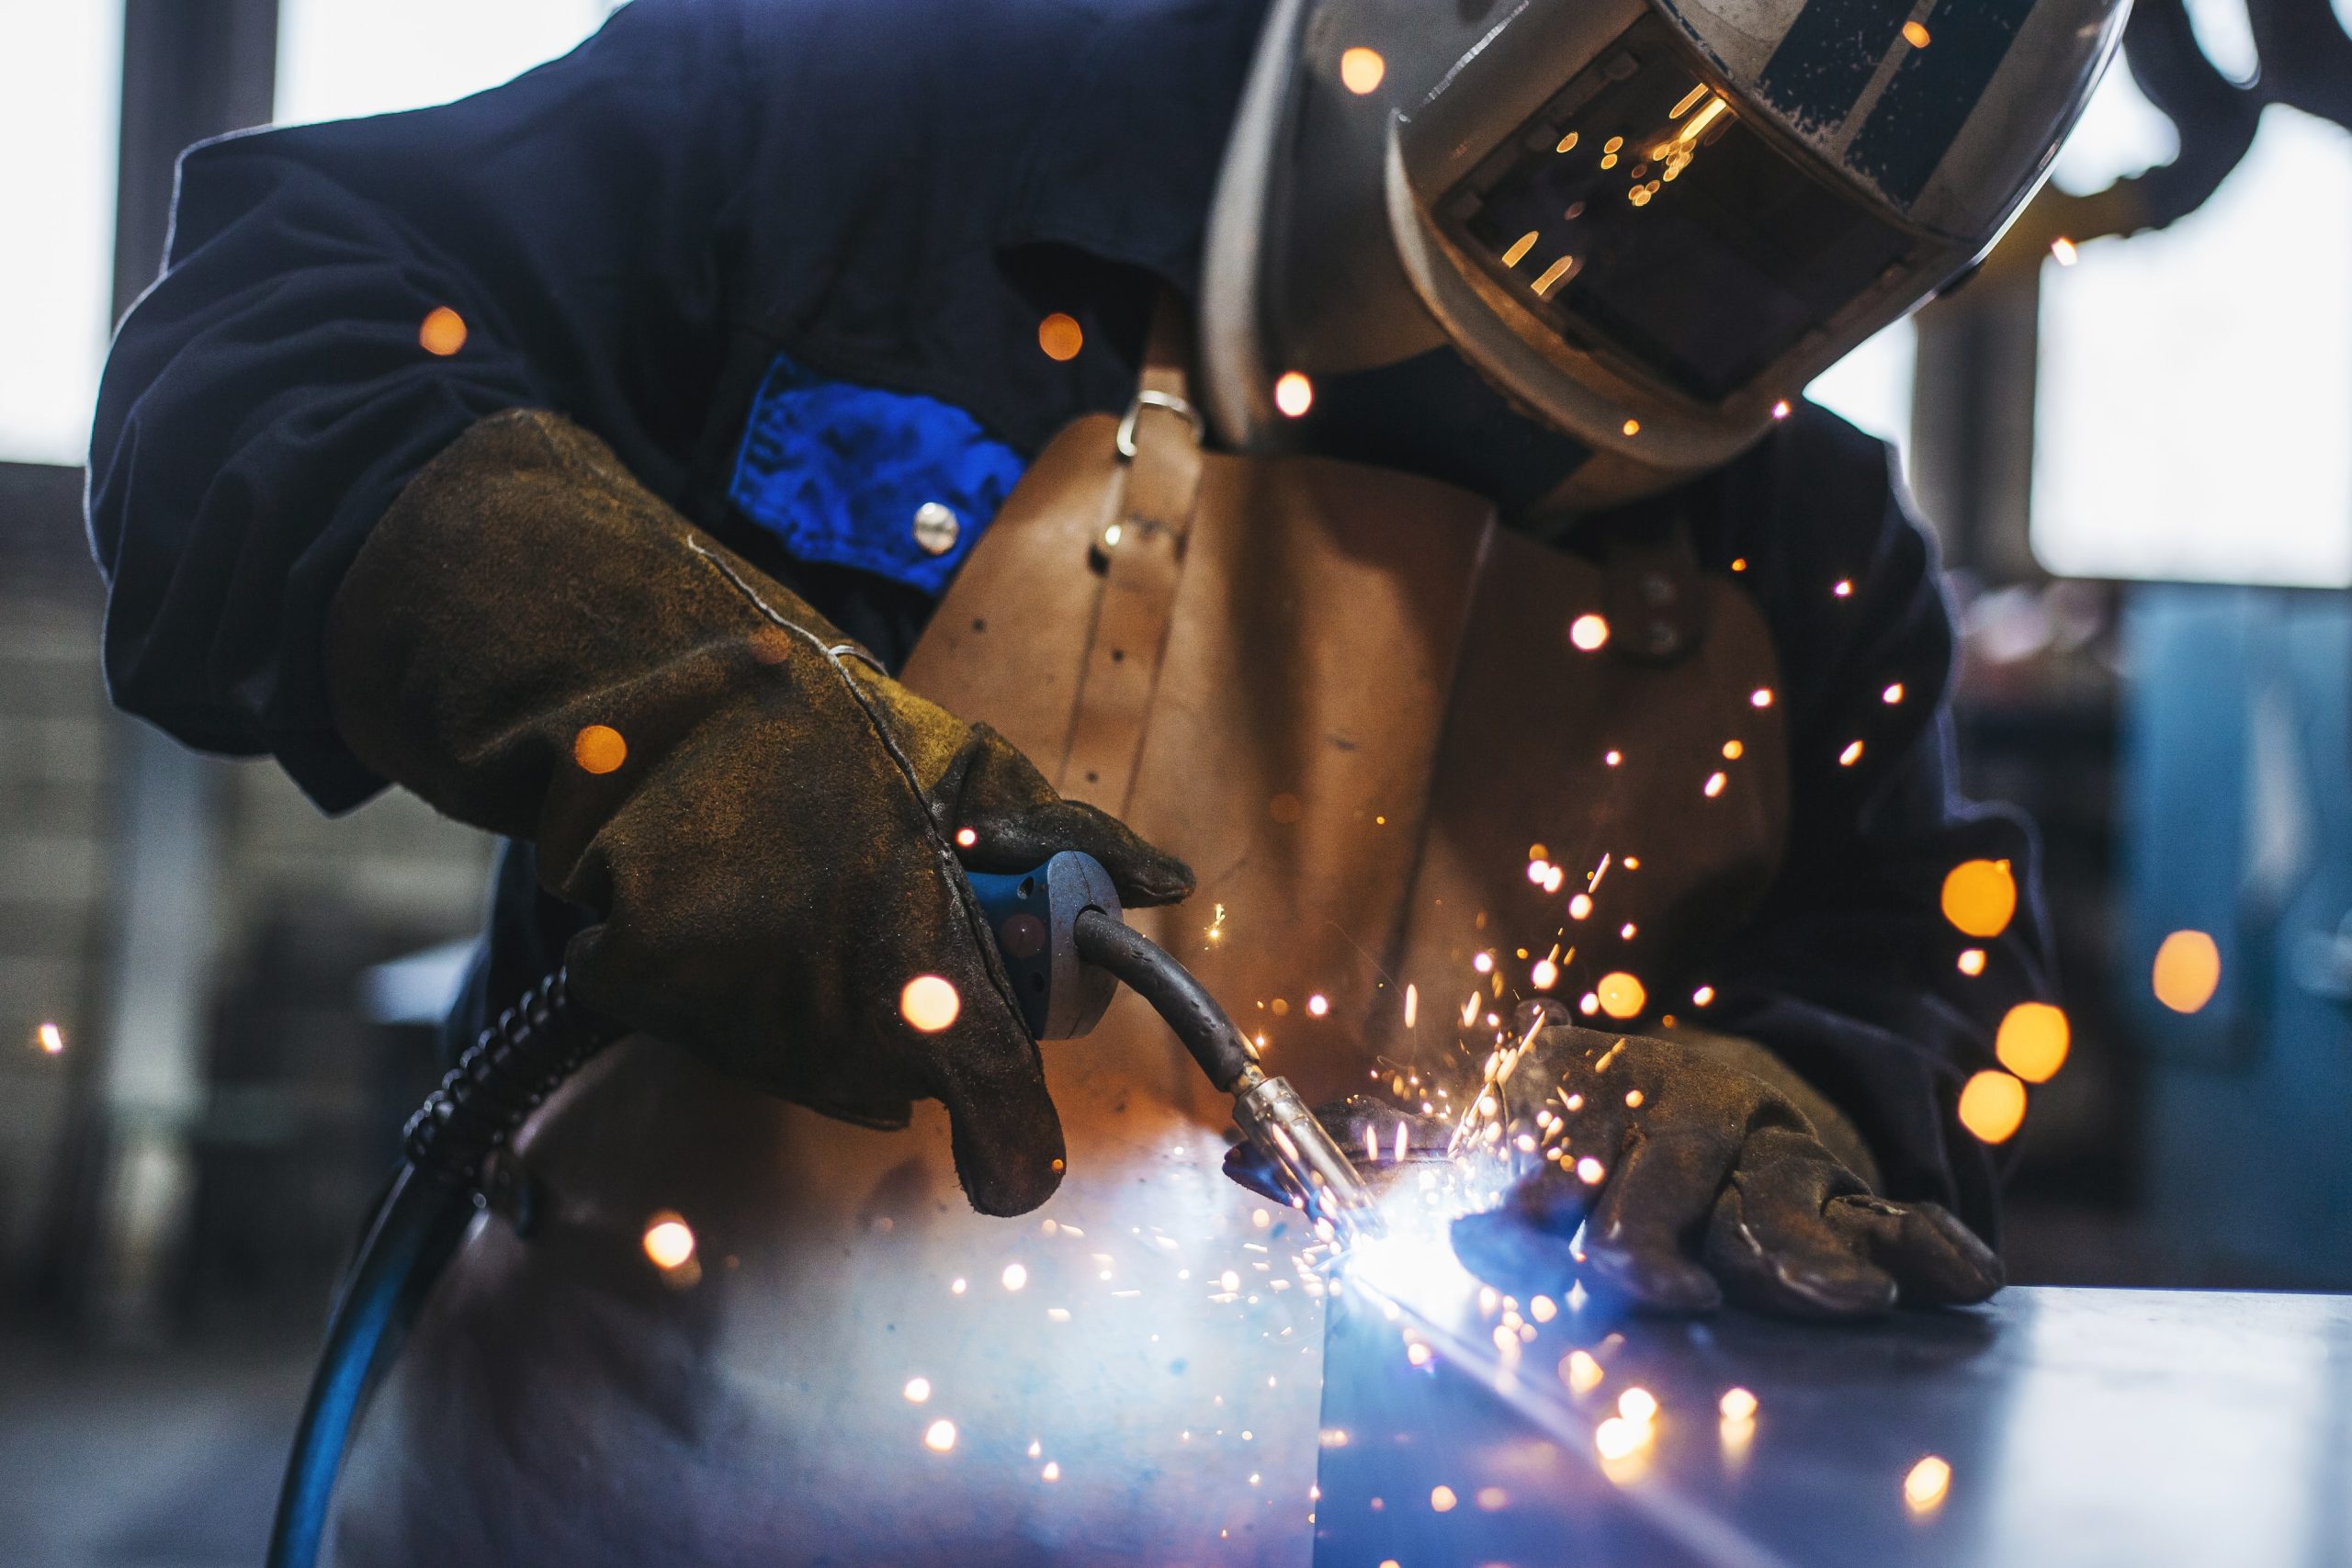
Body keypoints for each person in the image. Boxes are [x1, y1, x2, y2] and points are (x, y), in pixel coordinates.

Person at [88, 0, 2105, 1559]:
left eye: (1784, 265)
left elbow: (1910, 966)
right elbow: (264, 343)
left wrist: (1792, 1083)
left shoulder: (1804, 550)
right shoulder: (884, 124)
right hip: (614, 1484)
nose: (1658, 294)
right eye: (1613, 173)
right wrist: (676, 701)